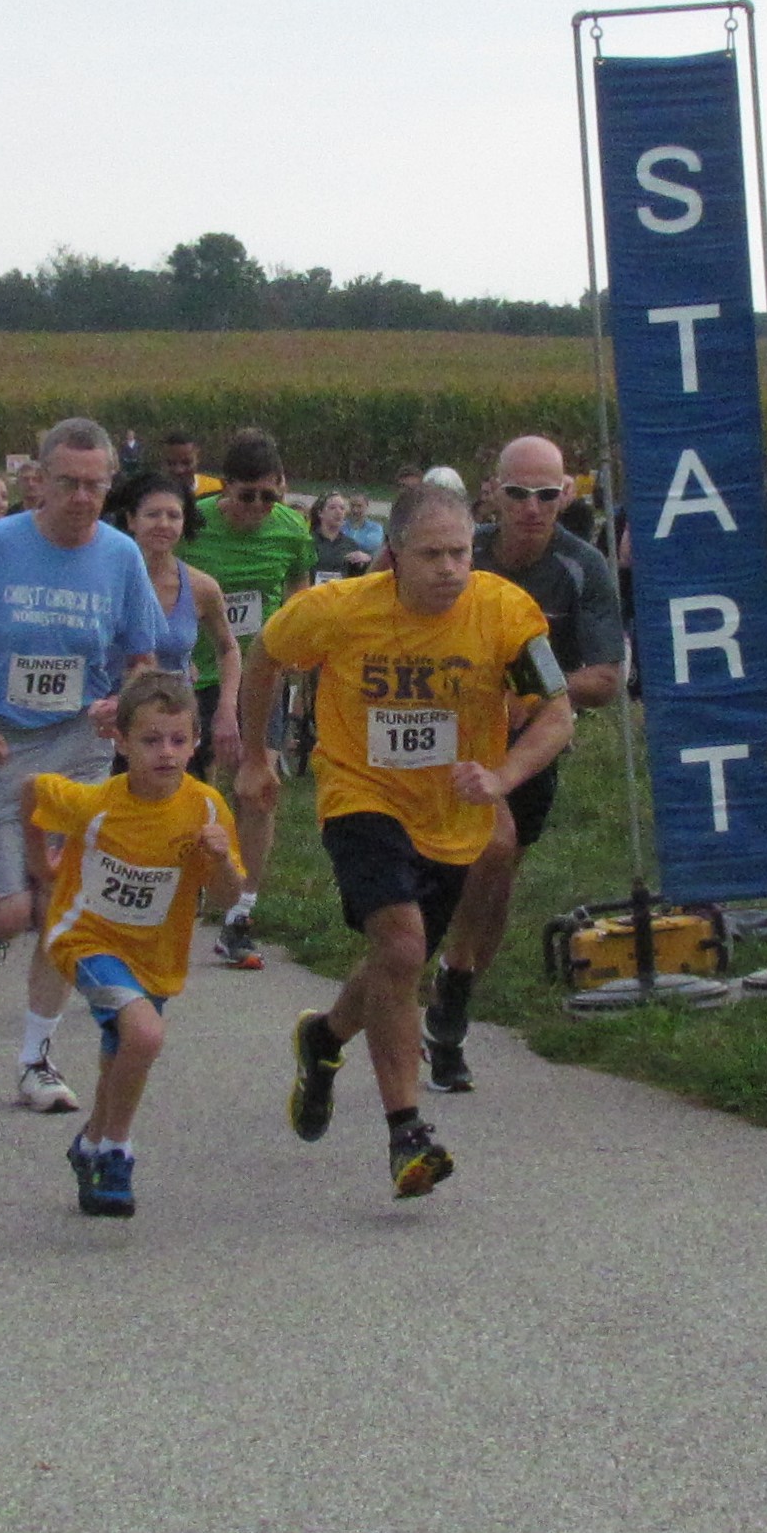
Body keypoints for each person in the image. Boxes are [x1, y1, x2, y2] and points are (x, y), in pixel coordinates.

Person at [235, 480, 572, 1200]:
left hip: (452, 813)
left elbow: (557, 715)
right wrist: (253, 756)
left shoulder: (503, 611)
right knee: (400, 946)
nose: (449, 568)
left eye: (460, 552)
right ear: (393, 556)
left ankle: (324, 1038)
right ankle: (406, 1132)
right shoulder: (339, 610)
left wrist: (502, 774)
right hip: (360, 792)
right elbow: (263, 656)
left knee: (395, 961)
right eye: (431, 554)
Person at [0, 418, 162, 1112]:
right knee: (13, 909)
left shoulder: (120, 557)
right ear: (38, 481)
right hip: (3, 743)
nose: (81, 497)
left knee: (61, 906)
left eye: (95, 485)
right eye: (67, 483)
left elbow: (141, 656)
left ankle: (36, 1059)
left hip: (78, 746)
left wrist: (120, 704)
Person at [423, 435, 624, 1089]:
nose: (531, 508)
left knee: (499, 870)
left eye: (546, 494)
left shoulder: (581, 566)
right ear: (493, 492)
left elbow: (603, 677)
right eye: (517, 494)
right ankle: (441, 974)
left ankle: (454, 995)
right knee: (493, 844)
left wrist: (529, 690)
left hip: (531, 735)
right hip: (442, 728)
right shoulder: (460, 550)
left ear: (566, 493)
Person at [28, 673, 244, 1217]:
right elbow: (33, 791)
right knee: (144, 1035)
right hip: (86, 938)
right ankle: (115, 1152)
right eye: (150, 741)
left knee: (121, 1056)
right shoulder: (98, 803)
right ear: (121, 742)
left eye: (177, 740)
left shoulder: (208, 809)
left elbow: (226, 896)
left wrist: (218, 859)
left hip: (154, 955)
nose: (166, 754)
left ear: (195, 742)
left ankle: (92, 1143)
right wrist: (41, 865)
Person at [175, 428, 314, 969]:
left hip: (259, 676)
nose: (257, 508)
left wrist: (297, 633)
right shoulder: (192, 523)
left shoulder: (292, 530)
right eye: (245, 495)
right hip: (192, 675)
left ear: (281, 488)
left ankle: (241, 914)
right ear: (224, 486)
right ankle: (184, 891)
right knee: (192, 791)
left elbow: (299, 586)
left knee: (259, 788)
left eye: (268, 496)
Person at [105, 470, 240, 762]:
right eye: (153, 515)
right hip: (111, 730)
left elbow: (228, 647)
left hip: (173, 733)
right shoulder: (105, 580)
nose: (163, 524)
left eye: (173, 516)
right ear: (131, 520)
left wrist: (226, 707)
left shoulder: (201, 587)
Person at [310, 490, 372, 582]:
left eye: (342, 508)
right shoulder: (309, 541)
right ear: (320, 513)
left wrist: (366, 562)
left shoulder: (350, 544)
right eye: (332, 508)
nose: (338, 512)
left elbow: (356, 580)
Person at [161, 429, 223, 501]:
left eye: (186, 463)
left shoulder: (217, 490)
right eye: (171, 463)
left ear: (198, 458)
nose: (179, 470)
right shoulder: (152, 495)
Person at [344, 490, 385, 559]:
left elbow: (372, 545)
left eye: (359, 506)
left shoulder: (375, 528)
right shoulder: (342, 525)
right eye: (352, 506)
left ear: (367, 506)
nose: (355, 510)